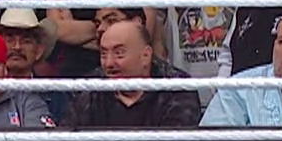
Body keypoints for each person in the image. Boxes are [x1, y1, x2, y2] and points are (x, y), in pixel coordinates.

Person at [65, 18, 204, 128]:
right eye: (103, 54)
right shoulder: (88, 90)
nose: (108, 63)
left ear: (145, 55)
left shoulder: (178, 88)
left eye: (119, 53)